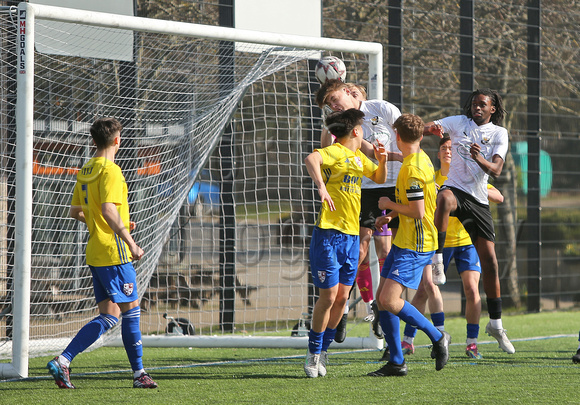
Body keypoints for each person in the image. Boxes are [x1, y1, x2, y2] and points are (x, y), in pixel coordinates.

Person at [47, 118, 158, 389]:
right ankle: (139, 374)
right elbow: (108, 209)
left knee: (110, 316)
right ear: (117, 140)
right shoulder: (111, 170)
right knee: (131, 312)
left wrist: (108, 222)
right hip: (114, 252)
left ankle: (63, 361)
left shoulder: (86, 170)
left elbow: (77, 212)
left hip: (96, 252)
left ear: (93, 141)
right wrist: (130, 241)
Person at [424, 88, 515, 354]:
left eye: (482, 104)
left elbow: (496, 170)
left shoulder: (499, 134)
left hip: (477, 199)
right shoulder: (458, 123)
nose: (476, 107)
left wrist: (479, 158)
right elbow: (431, 127)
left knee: (490, 263)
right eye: (474, 103)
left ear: (492, 109)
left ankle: (496, 325)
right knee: (444, 199)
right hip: (454, 190)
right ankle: (438, 260)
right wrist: (422, 129)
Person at [401, 136, 504, 360]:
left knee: (472, 290)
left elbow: (499, 196)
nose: (448, 151)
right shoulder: (432, 177)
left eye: (452, 148)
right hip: (440, 244)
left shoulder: (466, 177)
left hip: (467, 242)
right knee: (423, 289)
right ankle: (408, 341)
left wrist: (470, 194)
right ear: (438, 154)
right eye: (444, 148)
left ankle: (472, 343)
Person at [303, 108, 387, 378]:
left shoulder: (359, 158)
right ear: (356, 132)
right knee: (327, 296)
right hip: (328, 234)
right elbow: (311, 158)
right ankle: (313, 351)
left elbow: (380, 178)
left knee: (341, 297)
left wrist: (383, 160)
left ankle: (324, 350)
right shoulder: (336, 151)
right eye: (362, 128)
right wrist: (321, 186)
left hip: (352, 237)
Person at [316, 79, 402, 342]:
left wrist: (402, 158)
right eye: (328, 104)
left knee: (388, 252)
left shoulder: (382, 108)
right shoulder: (341, 122)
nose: (333, 104)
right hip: (365, 187)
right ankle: (342, 308)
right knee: (361, 248)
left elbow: (403, 133)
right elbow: (337, 149)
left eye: (333, 98)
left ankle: (383, 308)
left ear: (348, 91)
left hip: (393, 183)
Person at [367, 113, 450, 377]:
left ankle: (437, 336)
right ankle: (397, 361)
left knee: (390, 301)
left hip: (416, 243)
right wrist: (390, 216)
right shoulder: (417, 158)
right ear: (421, 137)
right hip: (405, 239)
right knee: (383, 300)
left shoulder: (413, 169)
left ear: (397, 136)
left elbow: (417, 211)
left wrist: (388, 204)